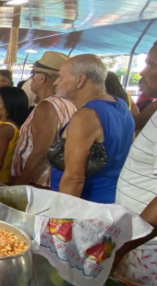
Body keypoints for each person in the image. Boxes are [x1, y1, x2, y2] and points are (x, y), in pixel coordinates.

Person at [51, 54, 134, 204]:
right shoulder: (121, 105)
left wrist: (61, 219)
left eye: (61, 77)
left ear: (80, 80)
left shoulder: (86, 116)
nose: (56, 82)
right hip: (111, 198)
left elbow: (74, 179)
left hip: (87, 204)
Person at [113, 42, 157, 286]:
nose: (142, 72)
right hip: (137, 243)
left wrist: (122, 247)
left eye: (151, 64)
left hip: (146, 249)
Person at [12, 51, 77, 188]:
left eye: (33, 74)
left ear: (42, 78)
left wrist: (20, 183)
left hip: (38, 183)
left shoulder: (47, 106)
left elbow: (41, 153)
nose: (31, 79)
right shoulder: (67, 103)